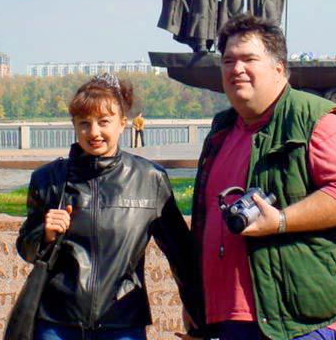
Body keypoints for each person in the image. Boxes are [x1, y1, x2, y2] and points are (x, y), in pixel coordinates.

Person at [181, 14, 336, 340]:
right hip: (230, 320)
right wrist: (197, 302)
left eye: (249, 59)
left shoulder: (314, 119)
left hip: (298, 321)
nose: (236, 69)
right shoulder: (221, 132)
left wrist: (282, 221)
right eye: (228, 60)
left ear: (279, 68)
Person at [16, 74, 203, 340]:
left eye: (104, 122)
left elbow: (181, 255)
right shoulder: (48, 179)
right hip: (58, 321)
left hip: (122, 321)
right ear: (74, 125)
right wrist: (43, 234)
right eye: (84, 123)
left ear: (122, 123)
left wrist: (199, 316)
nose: (94, 132)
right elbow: (26, 249)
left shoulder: (149, 179)